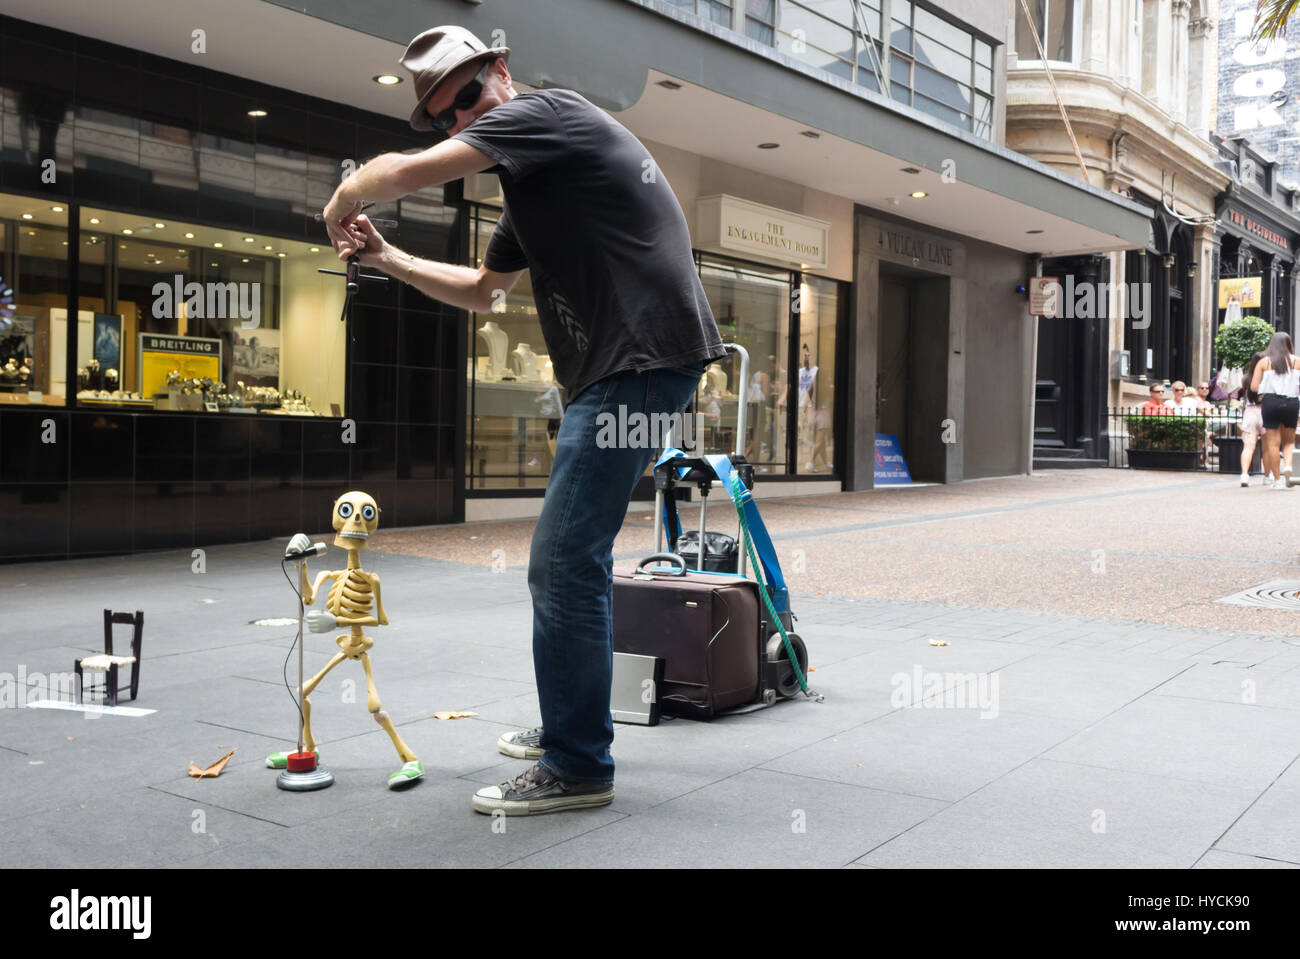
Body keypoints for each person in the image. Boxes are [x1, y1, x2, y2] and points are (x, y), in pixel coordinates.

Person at [320, 26, 724, 814]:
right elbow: (483, 291)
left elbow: (401, 173)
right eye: (447, 117)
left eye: (469, 97)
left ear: (501, 72)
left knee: (560, 561)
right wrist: (387, 258)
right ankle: (575, 729)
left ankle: (578, 765)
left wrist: (342, 198)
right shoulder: (532, 186)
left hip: (639, 366)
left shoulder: (550, 116)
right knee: (579, 560)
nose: (464, 121)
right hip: (634, 372)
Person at [1249, 331, 1300, 489]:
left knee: (1272, 444)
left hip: (1270, 402)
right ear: (1289, 344)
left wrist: (1267, 387)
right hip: (1291, 402)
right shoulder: (1297, 361)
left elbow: (1254, 387)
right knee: (1289, 441)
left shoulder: (1264, 362)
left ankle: (1277, 481)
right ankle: (1289, 467)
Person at [1239, 351, 1266, 487]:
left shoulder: (1246, 378)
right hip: (1265, 411)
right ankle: (1268, 475)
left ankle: (1244, 475)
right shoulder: (1267, 378)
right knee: (1268, 447)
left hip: (1250, 412)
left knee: (1248, 446)